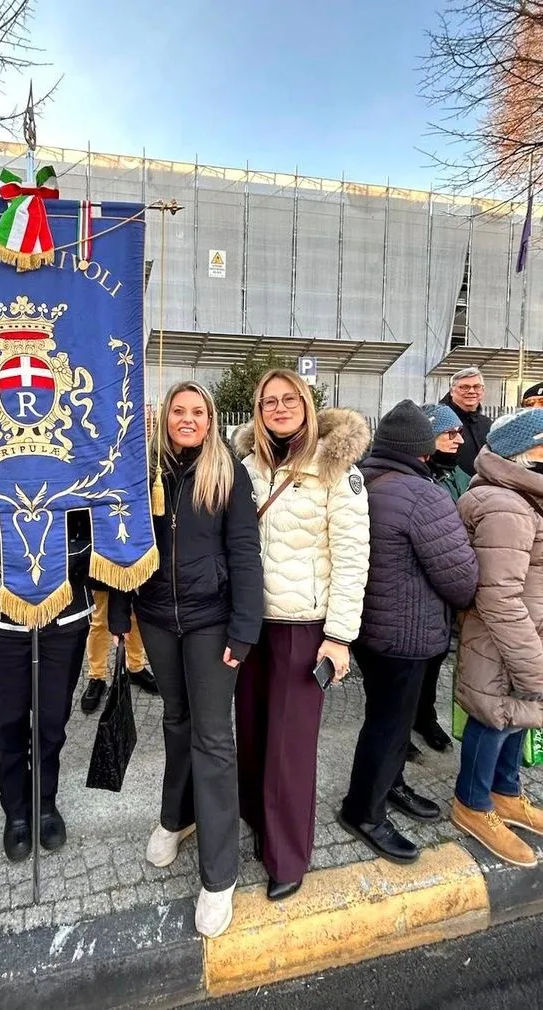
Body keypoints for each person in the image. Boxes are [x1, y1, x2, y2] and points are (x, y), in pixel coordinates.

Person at [109, 381, 263, 940]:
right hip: (156, 616)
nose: (188, 419)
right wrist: (121, 615)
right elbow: (124, 543)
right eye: (180, 410)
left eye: (198, 412)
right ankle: (177, 816)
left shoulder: (229, 474)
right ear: (165, 417)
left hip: (211, 621)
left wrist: (245, 629)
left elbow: (245, 553)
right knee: (176, 722)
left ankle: (218, 877)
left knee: (213, 740)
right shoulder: (143, 471)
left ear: (211, 418)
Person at [233, 371, 370, 901]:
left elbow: (353, 558)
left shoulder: (337, 469)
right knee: (252, 733)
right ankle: (257, 822)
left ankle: (287, 854)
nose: (281, 407)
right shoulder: (247, 467)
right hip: (252, 626)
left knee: (290, 748)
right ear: (259, 410)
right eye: (270, 401)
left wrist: (338, 637)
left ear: (308, 406)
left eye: (291, 399)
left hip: (303, 628)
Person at [338, 401, 478, 864]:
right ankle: (364, 810)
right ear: (420, 450)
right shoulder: (424, 495)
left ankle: (391, 784)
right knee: (389, 724)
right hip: (409, 633)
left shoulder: (362, 481)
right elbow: (461, 581)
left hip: (370, 631)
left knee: (384, 718)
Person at [0, 511, 94, 861]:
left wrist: (69, 550)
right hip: (2, 613)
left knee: (51, 720)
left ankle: (44, 801)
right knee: (7, 723)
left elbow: (98, 520)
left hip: (64, 608)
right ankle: (15, 808)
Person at [453, 410, 543, 867]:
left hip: (523, 634)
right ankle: (472, 803)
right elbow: (499, 597)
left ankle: (506, 793)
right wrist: (533, 662)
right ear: (525, 452)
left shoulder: (521, 496)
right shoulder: (506, 505)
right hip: (503, 638)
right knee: (494, 715)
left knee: (518, 712)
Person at [407, 403, 471, 757]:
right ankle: (404, 727)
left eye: (460, 432)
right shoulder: (415, 476)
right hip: (415, 587)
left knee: (435, 660)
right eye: (450, 433)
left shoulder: (460, 477)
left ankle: (425, 717)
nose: (458, 439)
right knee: (410, 667)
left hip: (444, 587)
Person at [80, 582, 157, 713]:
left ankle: (136, 667)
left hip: (132, 569)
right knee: (99, 621)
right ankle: (97, 676)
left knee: (135, 616)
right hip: (104, 569)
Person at [439, 368, 491, 477]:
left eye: (477, 387)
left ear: (483, 390)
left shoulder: (487, 424)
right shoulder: (440, 421)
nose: (472, 391)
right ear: (452, 391)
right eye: (464, 387)